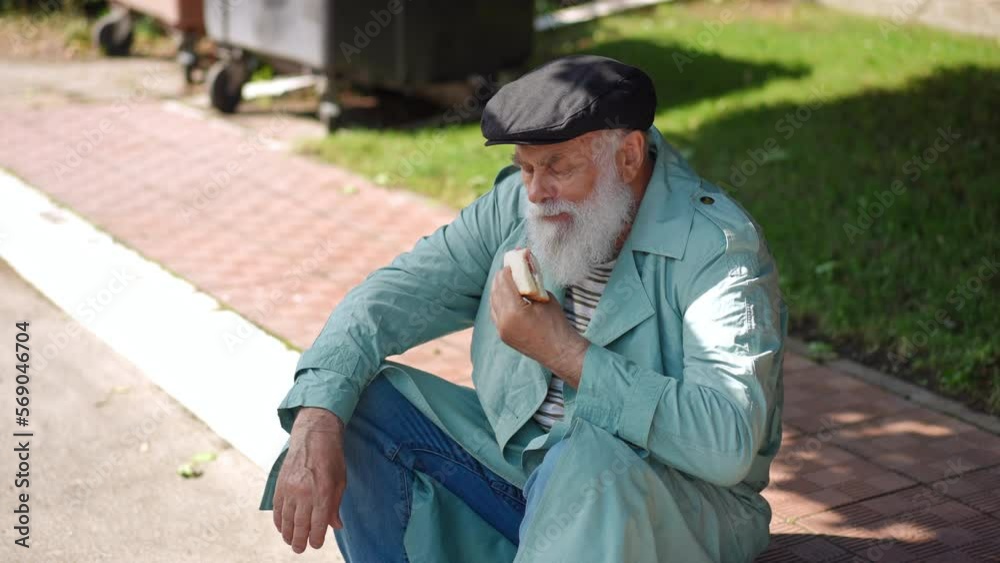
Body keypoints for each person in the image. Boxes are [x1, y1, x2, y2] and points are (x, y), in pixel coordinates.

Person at [260, 54, 787, 563]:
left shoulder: (717, 248)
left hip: (673, 508)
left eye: (557, 167)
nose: (536, 193)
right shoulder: (519, 204)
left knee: (586, 458)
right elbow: (387, 299)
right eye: (526, 167)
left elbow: (728, 443)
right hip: (522, 476)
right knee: (360, 405)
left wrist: (566, 353)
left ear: (628, 156)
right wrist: (316, 420)